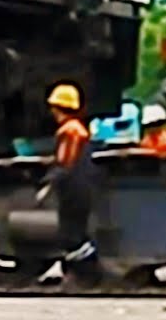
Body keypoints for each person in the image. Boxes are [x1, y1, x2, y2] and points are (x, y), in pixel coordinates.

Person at [36, 82, 101, 287]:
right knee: (73, 233)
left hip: (75, 187)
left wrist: (48, 183)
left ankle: (88, 274)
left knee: (72, 234)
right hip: (80, 185)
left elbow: (66, 161)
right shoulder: (77, 129)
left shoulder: (70, 131)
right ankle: (81, 273)